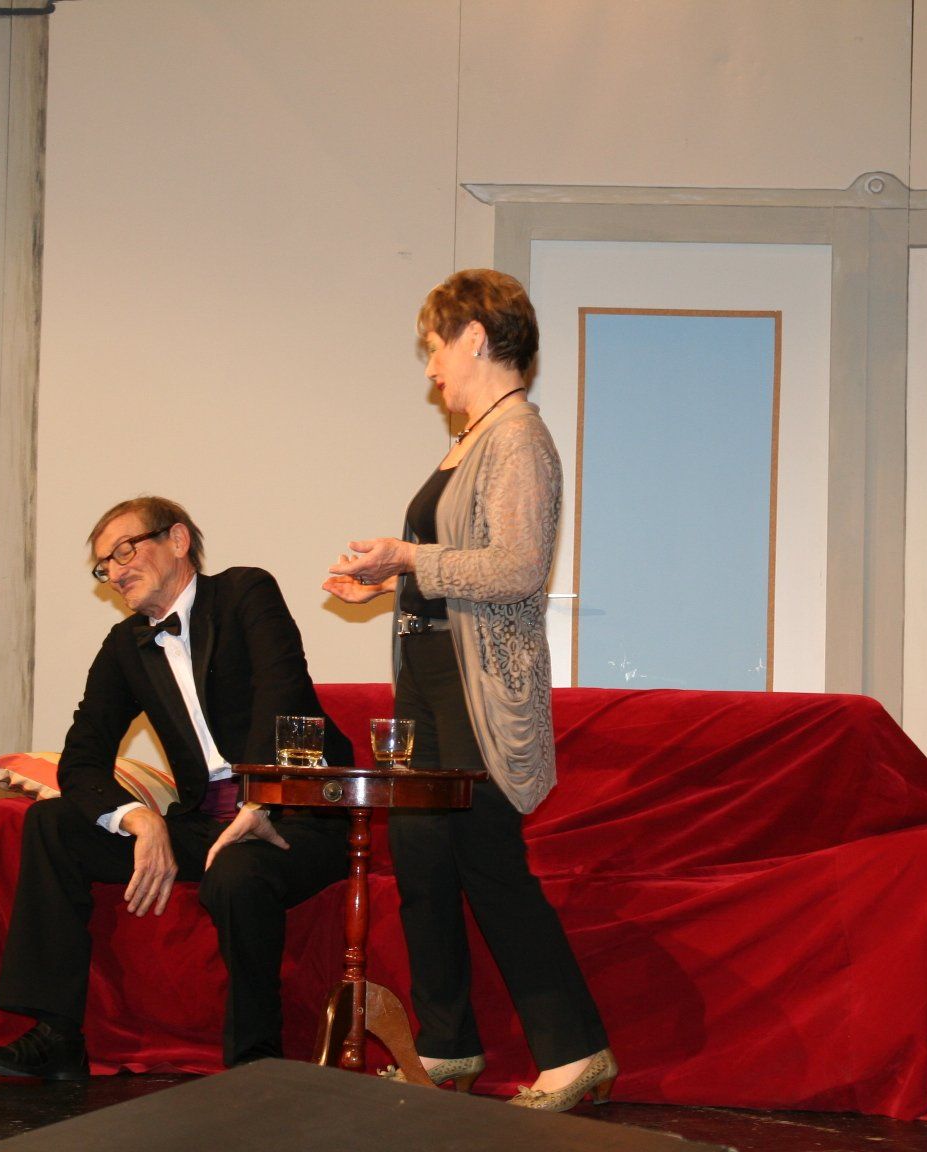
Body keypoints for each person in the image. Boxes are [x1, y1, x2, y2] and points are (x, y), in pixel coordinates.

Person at [323, 270, 615, 1112]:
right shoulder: (472, 438)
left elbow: (518, 568)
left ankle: (575, 1052)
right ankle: (446, 1045)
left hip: (476, 691)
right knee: (422, 863)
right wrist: (391, 583)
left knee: (488, 863)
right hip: (430, 677)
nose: (430, 368)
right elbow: (467, 566)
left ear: (476, 337)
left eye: (435, 347)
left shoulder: (518, 436)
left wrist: (408, 558)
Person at [0, 496, 350, 1079]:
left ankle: (256, 1062)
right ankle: (57, 1036)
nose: (115, 571)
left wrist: (261, 798)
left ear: (177, 540)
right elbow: (83, 758)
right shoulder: (126, 646)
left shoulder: (245, 593)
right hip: (202, 821)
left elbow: (285, 695)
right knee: (51, 824)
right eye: (104, 565)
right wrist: (138, 818)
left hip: (294, 814)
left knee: (237, 873)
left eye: (124, 551)